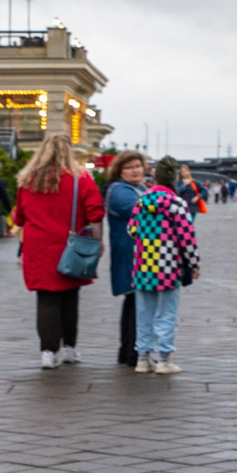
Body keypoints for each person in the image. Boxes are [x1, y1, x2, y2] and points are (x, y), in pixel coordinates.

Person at [13, 135, 102, 368]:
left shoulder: (28, 180)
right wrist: (98, 241)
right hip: (70, 247)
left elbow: (19, 216)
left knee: (46, 300)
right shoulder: (81, 179)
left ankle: (48, 352)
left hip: (37, 248)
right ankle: (69, 348)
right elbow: (95, 212)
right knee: (70, 298)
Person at [129, 167, 199, 373]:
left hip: (143, 264)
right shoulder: (177, 203)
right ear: (173, 179)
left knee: (144, 313)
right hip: (168, 265)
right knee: (167, 313)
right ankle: (164, 360)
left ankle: (142, 359)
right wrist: (194, 263)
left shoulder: (141, 201)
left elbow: (131, 229)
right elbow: (187, 237)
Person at [102, 150, 149, 366]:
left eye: (138, 166)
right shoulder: (119, 191)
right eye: (129, 167)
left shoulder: (140, 188)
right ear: (119, 171)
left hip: (140, 254)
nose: (135, 170)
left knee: (136, 302)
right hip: (129, 254)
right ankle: (132, 352)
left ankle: (129, 350)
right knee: (135, 301)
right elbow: (144, 210)